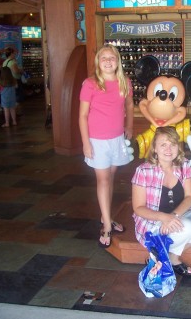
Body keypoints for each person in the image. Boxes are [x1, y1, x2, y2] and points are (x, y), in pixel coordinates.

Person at [132, 126, 191, 277]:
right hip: (152, 222)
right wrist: (164, 218)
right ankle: (166, 254)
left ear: (178, 147)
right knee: (188, 227)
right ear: (155, 149)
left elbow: (190, 197)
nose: (168, 149)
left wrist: (174, 216)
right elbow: (138, 208)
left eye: (172, 144)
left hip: (178, 216)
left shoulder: (184, 165)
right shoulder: (143, 171)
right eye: (163, 144)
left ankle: (168, 256)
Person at [79, 44, 134, 248]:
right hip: (97, 141)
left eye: (112, 57)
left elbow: (129, 105)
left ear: (117, 61)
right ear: (98, 62)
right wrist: (86, 143)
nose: (108, 61)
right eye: (104, 58)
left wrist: (129, 125)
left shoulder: (124, 82)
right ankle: (107, 226)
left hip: (117, 139)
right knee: (103, 180)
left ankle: (106, 217)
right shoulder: (90, 83)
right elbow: (83, 115)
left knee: (110, 178)